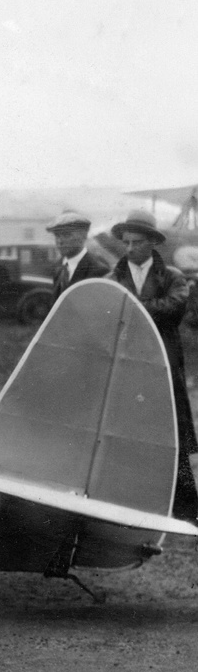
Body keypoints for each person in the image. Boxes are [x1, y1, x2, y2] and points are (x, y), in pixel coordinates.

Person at [105, 209, 198, 520]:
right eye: (126, 242)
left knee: (172, 436)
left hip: (163, 363)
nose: (130, 249)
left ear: (153, 243)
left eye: (137, 242)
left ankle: (186, 510)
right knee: (126, 433)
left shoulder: (171, 275)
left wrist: (130, 307)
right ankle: (133, 505)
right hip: (127, 363)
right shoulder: (112, 278)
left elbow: (175, 308)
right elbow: (106, 313)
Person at [46, 211, 109, 299]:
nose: (60, 241)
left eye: (66, 235)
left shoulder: (98, 270)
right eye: (57, 236)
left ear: (83, 236)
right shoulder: (58, 266)